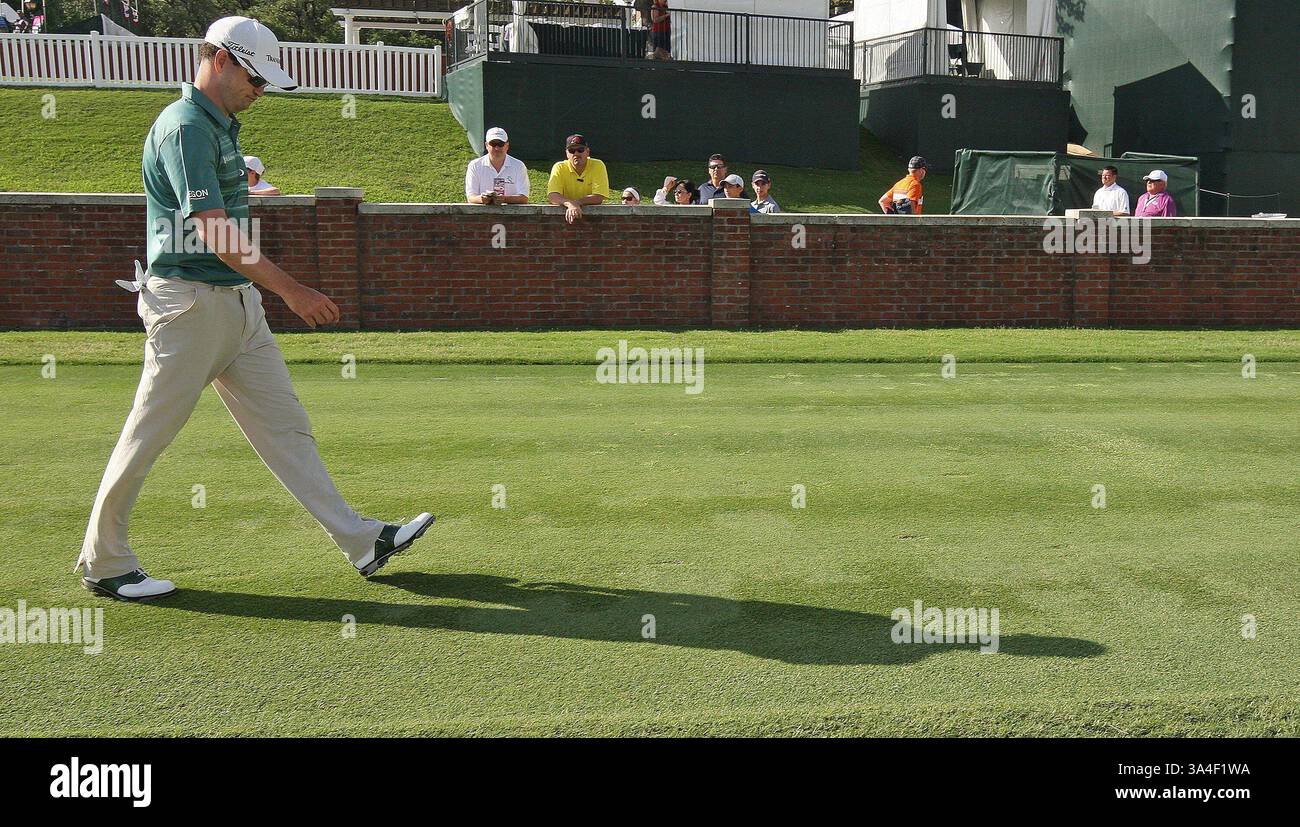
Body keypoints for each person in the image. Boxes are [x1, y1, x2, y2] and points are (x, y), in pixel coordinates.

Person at [76, 16, 435, 602]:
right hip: (189, 304)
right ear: (217, 57)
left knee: (286, 427)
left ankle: (362, 541)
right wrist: (293, 290)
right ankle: (104, 561)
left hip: (236, 303)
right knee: (148, 435)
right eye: (254, 76)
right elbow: (213, 232)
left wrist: (264, 292)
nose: (260, 90)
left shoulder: (221, 125)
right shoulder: (186, 125)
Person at [546, 133, 608, 224]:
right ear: (567, 153)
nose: (576, 153)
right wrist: (570, 204)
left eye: (580, 150)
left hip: (594, 221)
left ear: (587, 152)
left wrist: (576, 203)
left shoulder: (598, 165)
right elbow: (553, 196)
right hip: (563, 221)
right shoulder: (559, 167)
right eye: (571, 150)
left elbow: (598, 197)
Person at [465, 126, 530, 205]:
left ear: (507, 145)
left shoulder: (519, 166)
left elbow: (524, 198)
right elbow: (471, 197)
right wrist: (482, 199)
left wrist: (504, 199)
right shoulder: (475, 165)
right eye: (493, 144)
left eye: (500, 144)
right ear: (486, 145)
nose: (497, 148)